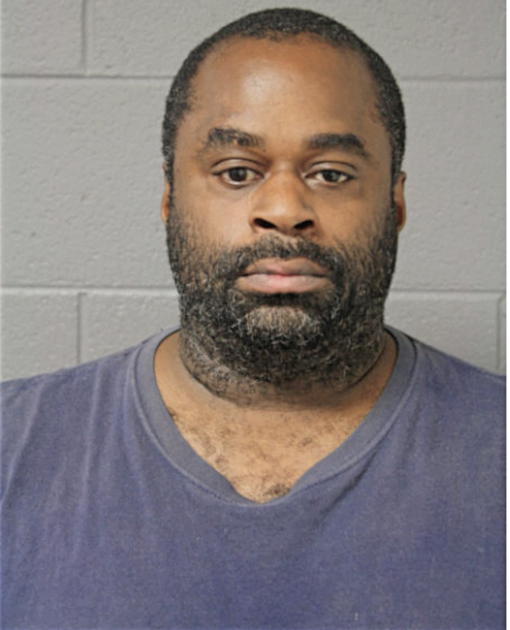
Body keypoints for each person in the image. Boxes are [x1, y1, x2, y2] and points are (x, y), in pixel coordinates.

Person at [1, 7, 504, 630]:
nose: (284, 209)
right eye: (237, 172)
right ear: (169, 197)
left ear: (394, 203)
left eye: (331, 174)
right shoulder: (13, 445)